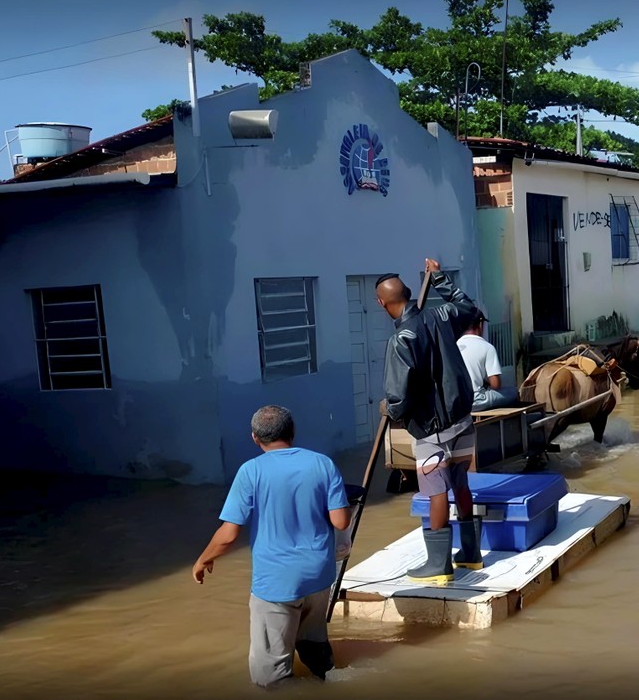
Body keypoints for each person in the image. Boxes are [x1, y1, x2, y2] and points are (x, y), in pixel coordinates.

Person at [191, 405, 351, 689]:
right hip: (319, 577)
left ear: (255, 438)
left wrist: (203, 560)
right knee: (315, 648)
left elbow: (228, 535)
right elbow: (340, 521)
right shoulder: (322, 463)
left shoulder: (250, 471)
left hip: (276, 584)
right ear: (292, 432)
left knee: (270, 681)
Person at [376, 259, 484, 582]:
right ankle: (471, 554)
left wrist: (389, 410)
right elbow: (467, 306)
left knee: (436, 491)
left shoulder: (401, 340)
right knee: (460, 482)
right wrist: (438, 278)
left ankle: (439, 565)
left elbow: (398, 396)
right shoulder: (441, 315)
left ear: (383, 305)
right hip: (462, 418)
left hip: (431, 428)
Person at [456, 306, 520, 412]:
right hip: (477, 401)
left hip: (458, 402)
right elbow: (496, 385)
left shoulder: (455, 346)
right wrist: (486, 381)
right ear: (480, 324)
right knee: (513, 392)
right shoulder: (487, 347)